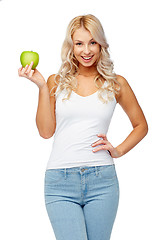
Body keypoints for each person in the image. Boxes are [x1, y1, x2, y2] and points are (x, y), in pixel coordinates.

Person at [18, 14, 148, 240]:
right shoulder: (55, 82)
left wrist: (117, 150)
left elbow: (141, 126)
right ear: (71, 46)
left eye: (92, 42)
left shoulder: (116, 83)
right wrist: (40, 87)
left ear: (101, 44)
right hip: (60, 181)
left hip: (103, 181)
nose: (86, 51)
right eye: (79, 43)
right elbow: (46, 132)